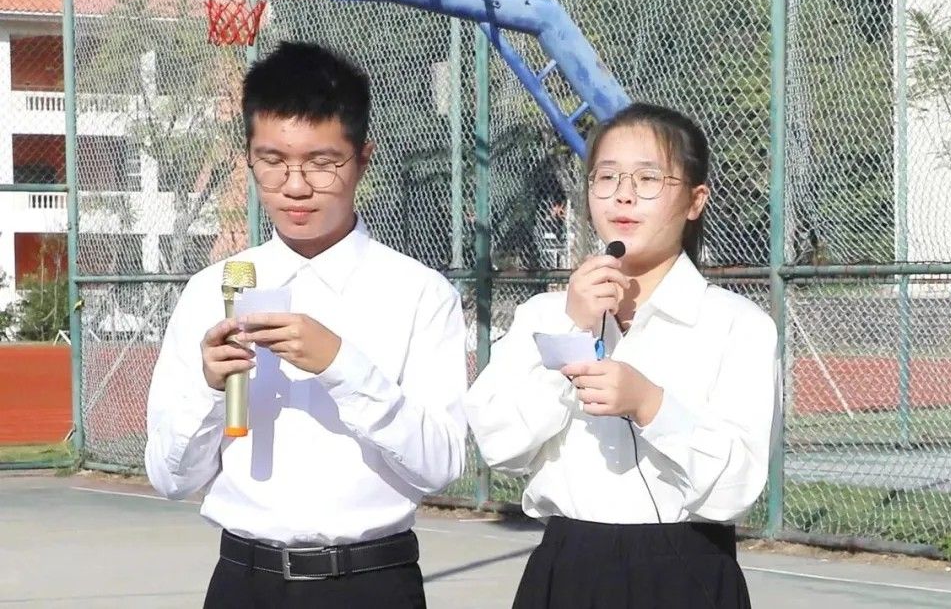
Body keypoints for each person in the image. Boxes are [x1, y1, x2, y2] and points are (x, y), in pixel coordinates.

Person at [144, 41, 467, 609]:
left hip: (372, 581)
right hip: (244, 581)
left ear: (362, 158)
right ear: (249, 158)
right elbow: (172, 479)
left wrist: (342, 365)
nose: (295, 186)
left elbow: (439, 466)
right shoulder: (212, 291)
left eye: (322, 162)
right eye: (272, 161)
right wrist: (209, 387)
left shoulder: (420, 293)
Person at [465, 102, 780, 609]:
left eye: (648, 178)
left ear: (695, 200)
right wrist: (574, 325)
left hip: (688, 571)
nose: (623, 194)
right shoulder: (545, 313)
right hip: (567, 570)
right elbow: (500, 444)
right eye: (606, 177)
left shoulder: (736, 324)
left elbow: (737, 487)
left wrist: (651, 405)